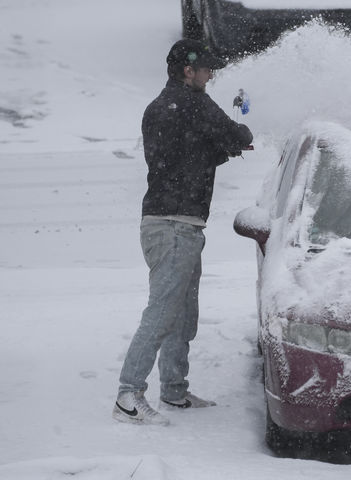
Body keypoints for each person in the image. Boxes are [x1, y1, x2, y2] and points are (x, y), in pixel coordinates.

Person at [113, 39, 253, 425]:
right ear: (188, 70)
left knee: (182, 314)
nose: (211, 75)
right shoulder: (191, 102)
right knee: (161, 313)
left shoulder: (163, 108)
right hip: (173, 226)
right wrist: (241, 134)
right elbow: (233, 133)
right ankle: (128, 393)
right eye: (207, 69)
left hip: (176, 223)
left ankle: (174, 390)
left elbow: (190, 157)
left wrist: (228, 147)